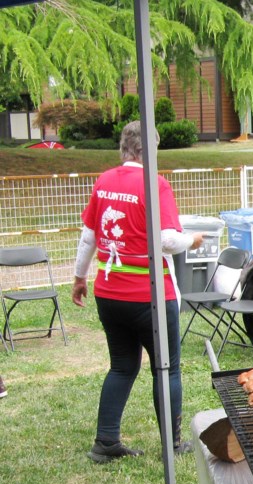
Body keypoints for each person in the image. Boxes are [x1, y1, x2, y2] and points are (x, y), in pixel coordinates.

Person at [72, 120, 204, 464]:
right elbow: (167, 241)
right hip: (150, 297)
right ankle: (172, 444)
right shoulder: (155, 184)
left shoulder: (103, 181)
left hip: (108, 292)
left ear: (124, 147)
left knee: (121, 366)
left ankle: (105, 442)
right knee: (168, 369)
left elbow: (88, 236)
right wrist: (193, 239)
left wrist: (79, 277)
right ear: (150, 150)